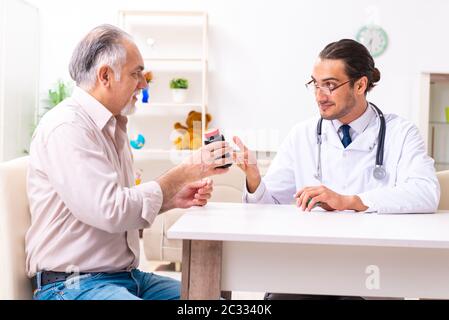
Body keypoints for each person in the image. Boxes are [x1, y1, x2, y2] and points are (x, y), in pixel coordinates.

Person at [25, 24, 232, 300]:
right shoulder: (67, 128)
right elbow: (110, 210)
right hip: (72, 283)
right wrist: (184, 172)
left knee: (210, 298)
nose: (144, 84)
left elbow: (119, 203)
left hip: (126, 277)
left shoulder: (114, 127)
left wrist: (171, 197)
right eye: (137, 73)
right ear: (105, 75)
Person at [232, 39, 440, 300]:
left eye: (330, 85)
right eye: (315, 84)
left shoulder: (401, 133)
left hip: (374, 268)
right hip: (311, 264)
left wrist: (350, 201)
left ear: (361, 85)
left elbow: (425, 192)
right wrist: (254, 180)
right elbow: (270, 206)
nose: (320, 96)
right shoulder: (303, 134)